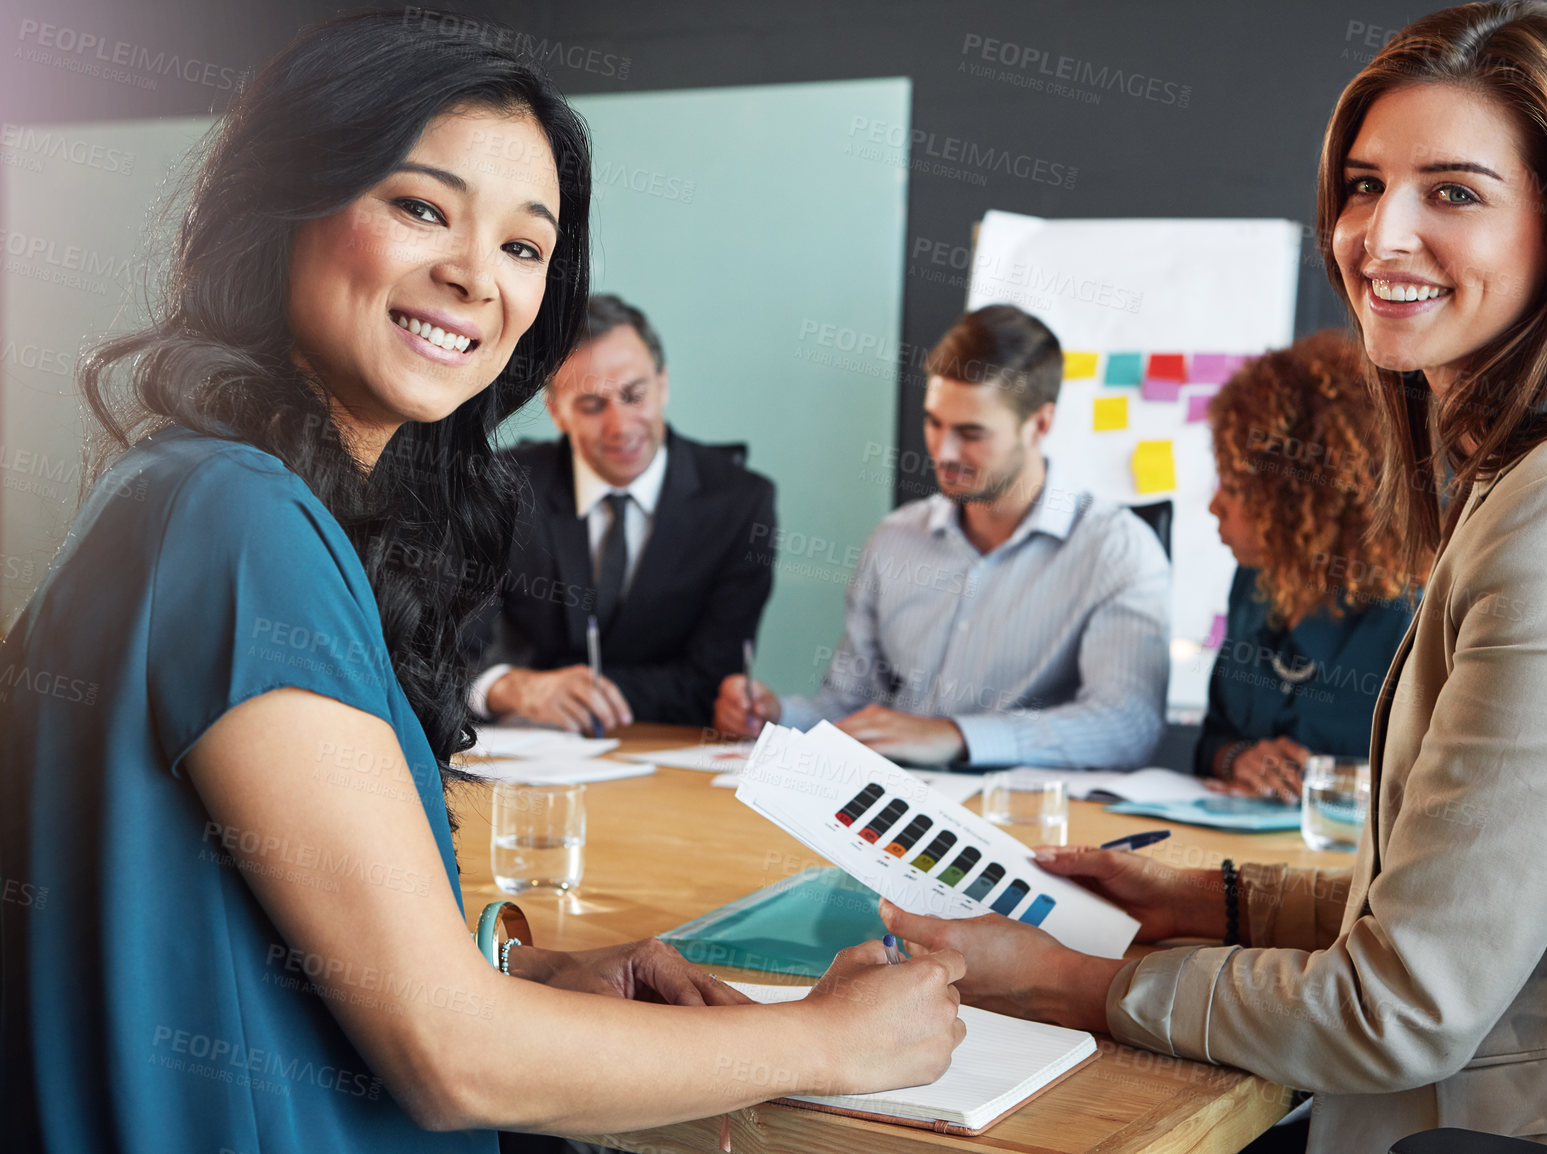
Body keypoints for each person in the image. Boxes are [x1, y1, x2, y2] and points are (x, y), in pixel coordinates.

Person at [0, 14, 964, 1152]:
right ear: (287, 206)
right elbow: (455, 1056)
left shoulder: (222, 492)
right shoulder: (235, 516)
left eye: (524, 245)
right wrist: (832, 1039)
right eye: (420, 207)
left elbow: (215, 925)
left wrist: (520, 961)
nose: (473, 275)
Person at [881, 3, 1547, 1151]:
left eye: (1455, 191)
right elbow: (1469, 898)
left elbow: (1402, 1002)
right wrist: (1217, 901)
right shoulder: (1529, 480)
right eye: (1366, 184)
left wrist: (1071, 980)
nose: (1379, 235)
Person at [712, 304, 1172, 769]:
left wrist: (954, 736)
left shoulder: (1116, 550)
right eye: (934, 423)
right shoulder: (895, 540)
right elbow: (854, 707)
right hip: (889, 810)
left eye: (971, 433)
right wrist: (777, 715)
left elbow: (1126, 725)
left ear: (1040, 424)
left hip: (1029, 818)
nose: (944, 452)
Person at [466, 293, 777, 731]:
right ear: (556, 412)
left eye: (634, 395)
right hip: (520, 751)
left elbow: (714, 679)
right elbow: (439, 650)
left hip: (667, 758)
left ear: (663, 384)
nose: (620, 426)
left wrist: (588, 696)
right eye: (592, 405)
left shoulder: (740, 502)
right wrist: (509, 687)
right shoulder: (501, 486)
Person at [1195, 329, 1422, 801]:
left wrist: (1337, 786)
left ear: (1300, 498)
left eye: (1236, 488)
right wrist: (1240, 760)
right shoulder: (1252, 582)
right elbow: (1211, 741)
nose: (1214, 506)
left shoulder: (1412, 619)